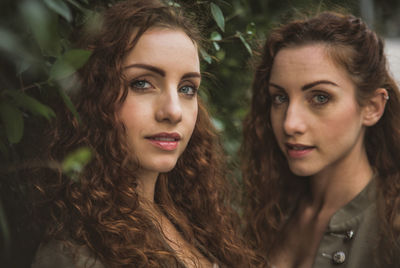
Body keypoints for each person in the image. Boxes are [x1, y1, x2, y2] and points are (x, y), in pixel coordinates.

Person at [30, 0, 256, 267]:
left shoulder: (193, 222)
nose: (173, 111)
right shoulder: (75, 253)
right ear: (95, 96)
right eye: (143, 83)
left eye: (187, 88)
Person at [241, 11, 400, 268]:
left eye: (320, 98)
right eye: (280, 98)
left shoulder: (391, 231)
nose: (290, 123)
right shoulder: (269, 213)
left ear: (372, 107)